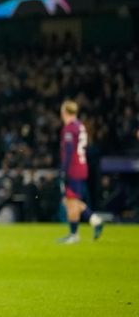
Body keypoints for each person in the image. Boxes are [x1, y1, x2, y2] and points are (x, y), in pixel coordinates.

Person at [58, 100, 104, 244]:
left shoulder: (70, 128)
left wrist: (64, 171)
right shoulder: (80, 126)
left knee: (71, 201)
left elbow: (69, 151)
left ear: (64, 112)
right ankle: (95, 221)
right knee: (70, 200)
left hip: (74, 167)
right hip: (81, 166)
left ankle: (74, 234)